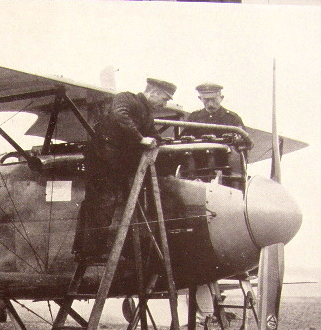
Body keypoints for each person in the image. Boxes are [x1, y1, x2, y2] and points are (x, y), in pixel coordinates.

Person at [74, 78, 177, 260]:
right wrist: (140, 138)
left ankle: (99, 248)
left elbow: (153, 132)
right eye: (164, 98)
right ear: (153, 92)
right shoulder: (126, 98)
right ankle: (90, 251)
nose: (165, 103)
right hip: (101, 158)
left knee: (115, 202)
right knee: (102, 201)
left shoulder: (146, 113)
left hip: (116, 162)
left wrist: (159, 142)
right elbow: (120, 116)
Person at [181, 83, 254, 149]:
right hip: (199, 160)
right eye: (206, 100)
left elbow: (245, 143)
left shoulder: (232, 118)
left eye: (214, 99)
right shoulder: (194, 118)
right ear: (200, 99)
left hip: (224, 161)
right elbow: (183, 141)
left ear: (221, 98)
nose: (210, 104)